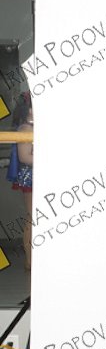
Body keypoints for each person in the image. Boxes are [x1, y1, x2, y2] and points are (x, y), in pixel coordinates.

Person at [6, 91, 33, 272]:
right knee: (33, 218)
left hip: (41, 175)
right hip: (32, 177)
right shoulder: (26, 128)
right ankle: (30, 261)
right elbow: (24, 157)